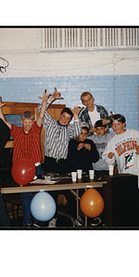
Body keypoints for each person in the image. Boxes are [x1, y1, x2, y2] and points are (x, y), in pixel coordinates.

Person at [0, 89, 50, 227]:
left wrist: (44, 101)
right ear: (21, 121)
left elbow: (41, 115)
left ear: (32, 122)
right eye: (25, 122)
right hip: (21, 170)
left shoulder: (36, 129)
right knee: (26, 197)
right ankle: (27, 222)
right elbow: (3, 121)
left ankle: (40, 221)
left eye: (30, 122)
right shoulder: (16, 131)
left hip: (36, 167)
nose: (27, 124)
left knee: (39, 194)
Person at [38, 87, 82, 227]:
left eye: (68, 118)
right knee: (52, 193)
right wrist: (51, 99)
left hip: (64, 164)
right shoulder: (50, 123)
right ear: (60, 115)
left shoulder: (69, 129)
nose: (65, 120)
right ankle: (52, 219)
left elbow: (77, 133)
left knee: (70, 192)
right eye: (64, 116)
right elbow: (41, 110)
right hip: (50, 163)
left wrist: (76, 116)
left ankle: (75, 217)